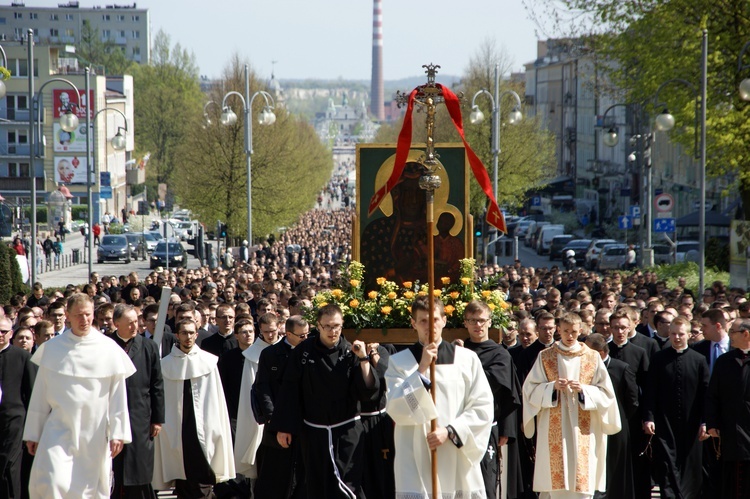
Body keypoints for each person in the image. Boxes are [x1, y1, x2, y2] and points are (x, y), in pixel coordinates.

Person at [22, 293, 136, 498]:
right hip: (58, 429)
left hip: (93, 432)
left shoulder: (109, 349)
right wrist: (33, 433)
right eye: (79, 315)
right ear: (67, 316)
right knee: (52, 480)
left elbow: (118, 396)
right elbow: (40, 394)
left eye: (88, 315)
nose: (84, 320)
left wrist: (118, 432)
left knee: (87, 490)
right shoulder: (53, 349)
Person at [385, 296, 493, 497]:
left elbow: (483, 407)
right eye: (423, 321)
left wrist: (451, 431)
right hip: (415, 457)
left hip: (455, 454)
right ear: (413, 323)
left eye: (435, 319)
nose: (430, 326)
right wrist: (422, 369)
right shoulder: (399, 362)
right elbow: (396, 408)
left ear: (444, 320)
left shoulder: (467, 359)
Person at [272, 304, 377, 498]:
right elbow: (289, 391)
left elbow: (368, 390)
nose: (332, 331)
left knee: (347, 484)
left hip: (347, 432)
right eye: (327, 326)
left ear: (342, 324)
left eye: (336, 325)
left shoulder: (350, 351)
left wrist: (364, 359)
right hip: (314, 433)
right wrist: (284, 427)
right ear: (318, 326)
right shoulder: (302, 353)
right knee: (317, 484)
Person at [522, 312, 620, 498]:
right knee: (555, 484)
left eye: (574, 332)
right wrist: (551, 387)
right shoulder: (546, 356)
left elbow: (607, 394)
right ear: (558, 329)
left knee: (582, 479)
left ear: (581, 330)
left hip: (584, 428)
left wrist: (584, 391)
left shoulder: (592, 357)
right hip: (553, 425)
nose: (569, 336)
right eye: (565, 331)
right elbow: (529, 391)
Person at [152, 318, 236, 498]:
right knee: (182, 473)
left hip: (204, 424)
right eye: (184, 333)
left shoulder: (209, 362)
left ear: (196, 334)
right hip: (178, 426)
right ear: (177, 336)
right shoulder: (165, 364)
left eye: (191, 333)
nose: (188, 337)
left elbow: (216, 398)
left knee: (203, 471)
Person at [642, 316, 709, 498]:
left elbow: (706, 395)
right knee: (666, 463)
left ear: (689, 335)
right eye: (673, 334)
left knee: (690, 464)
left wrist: (705, 422)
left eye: (681, 334)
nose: (677, 338)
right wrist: (649, 417)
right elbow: (650, 391)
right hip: (664, 421)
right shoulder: (658, 359)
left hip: (691, 422)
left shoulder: (699, 360)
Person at [463, 300, 523, 499]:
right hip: (459, 425)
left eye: (481, 320)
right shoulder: (457, 351)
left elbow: (507, 394)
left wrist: (506, 429)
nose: (477, 325)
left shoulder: (500, 354)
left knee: (486, 481)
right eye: (472, 320)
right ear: (465, 323)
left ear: (489, 322)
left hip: (488, 427)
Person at [108, 304, 165, 499]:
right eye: (129, 323)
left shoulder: (148, 346)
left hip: (140, 415)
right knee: (114, 466)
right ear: (116, 324)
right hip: (111, 415)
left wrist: (157, 419)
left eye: (136, 322)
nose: (135, 326)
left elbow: (157, 384)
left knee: (139, 466)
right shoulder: (106, 345)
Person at [254, 315, 310, 499]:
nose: (305, 339)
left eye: (307, 334)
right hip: (278, 420)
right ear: (287, 333)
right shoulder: (270, 354)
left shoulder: (310, 351)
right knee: (276, 474)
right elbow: (263, 387)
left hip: (305, 422)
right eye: (301, 336)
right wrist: (272, 417)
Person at [585, 333, 639, 499]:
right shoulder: (585, 369)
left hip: (616, 427)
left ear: (600, 353)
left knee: (614, 469)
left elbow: (632, 401)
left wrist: (618, 417)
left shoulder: (621, 368)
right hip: (591, 426)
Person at [705, 318, 750, 497]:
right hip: (731, 429)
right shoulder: (725, 361)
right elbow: (713, 395)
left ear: (746, 334)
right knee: (731, 480)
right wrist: (712, 422)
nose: (729, 336)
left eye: (733, 332)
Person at [0, 317, 36, 499]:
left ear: (11, 334)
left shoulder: (23, 358)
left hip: (14, 424)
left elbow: (32, 396)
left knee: (10, 470)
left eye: (4, 331)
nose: (0, 335)